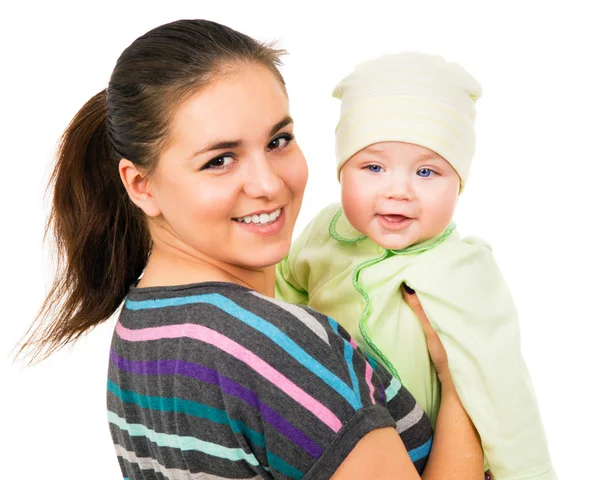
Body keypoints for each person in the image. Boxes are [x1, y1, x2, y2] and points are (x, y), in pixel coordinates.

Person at [18, 20, 484, 479]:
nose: (268, 184)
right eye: (219, 160)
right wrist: (464, 378)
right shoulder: (278, 344)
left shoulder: (143, 326)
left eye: (278, 141)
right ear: (142, 186)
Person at [276, 52, 555, 480]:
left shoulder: (464, 270)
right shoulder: (326, 230)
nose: (398, 190)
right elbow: (282, 288)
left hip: (444, 456)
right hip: (348, 452)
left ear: (459, 184)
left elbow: (504, 390)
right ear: (341, 171)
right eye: (373, 167)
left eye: (427, 172)